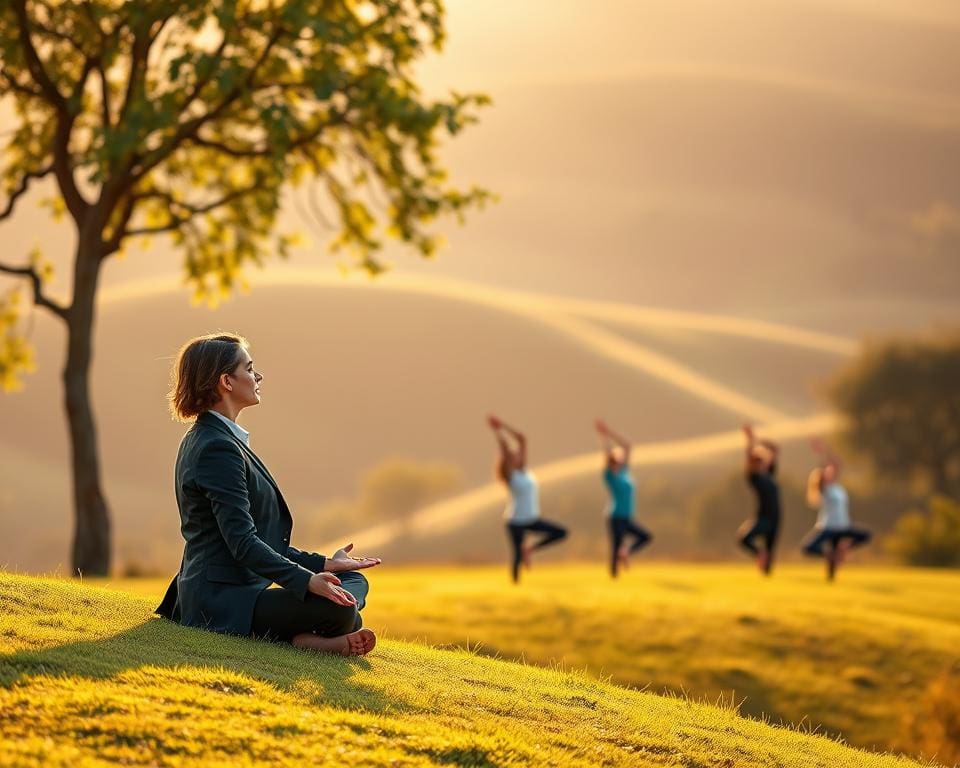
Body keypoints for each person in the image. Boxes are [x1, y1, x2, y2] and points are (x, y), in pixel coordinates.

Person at [156, 333, 380, 655]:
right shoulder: (217, 448)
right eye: (249, 369)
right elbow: (242, 542)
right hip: (219, 600)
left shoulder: (221, 439)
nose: (258, 376)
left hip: (246, 589)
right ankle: (304, 638)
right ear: (226, 382)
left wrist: (327, 564)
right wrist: (306, 580)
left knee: (354, 582)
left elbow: (265, 541)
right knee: (339, 609)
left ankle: (308, 635)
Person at [487, 415, 567, 583]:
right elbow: (504, 448)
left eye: (518, 455)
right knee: (516, 555)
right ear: (509, 462)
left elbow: (522, 439)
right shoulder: (510, 476)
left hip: (532, 518)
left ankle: (530, 549)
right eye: (514, 456)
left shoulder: (525, 472)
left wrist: (503, 425)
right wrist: (497, 432)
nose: (518, 455)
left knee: (561, 532)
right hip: (515, 520)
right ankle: (515, 584)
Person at [802, 437, 872, 581]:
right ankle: (831, 556)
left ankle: (840, 552)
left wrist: (827, 449)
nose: (830, 473)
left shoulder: (838, 488)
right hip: (828, 527)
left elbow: (836, 464)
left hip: (843, 526)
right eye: (826, 472)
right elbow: (825, 466)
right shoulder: (824, 489)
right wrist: (822, 453)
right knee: (808, 548)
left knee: (865, 535)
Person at [595, 419, 651, 577]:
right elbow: (607, 452)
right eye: (616, 460)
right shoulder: (609, 476)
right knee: (615, 547)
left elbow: (627, 445)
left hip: (627, 517)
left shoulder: (623, 471)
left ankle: (626, 552)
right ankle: (614, 576)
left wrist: (609, 432)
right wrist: (603, 437)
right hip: (615, 517)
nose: (619, 461)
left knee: (645, 537)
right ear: (611, 462)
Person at [737, 424, 781, 575]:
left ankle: (765, 569)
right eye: (758, 462)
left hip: (776, 518)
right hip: (763, 518)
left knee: (770, 558)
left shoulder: (769, 475)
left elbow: (774, 453)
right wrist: (751, 439)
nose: (761, 463)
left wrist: (763, 442)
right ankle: (759, 554)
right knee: (743, 539)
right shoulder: (754, 478)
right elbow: (750, 454)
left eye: (762, 461)